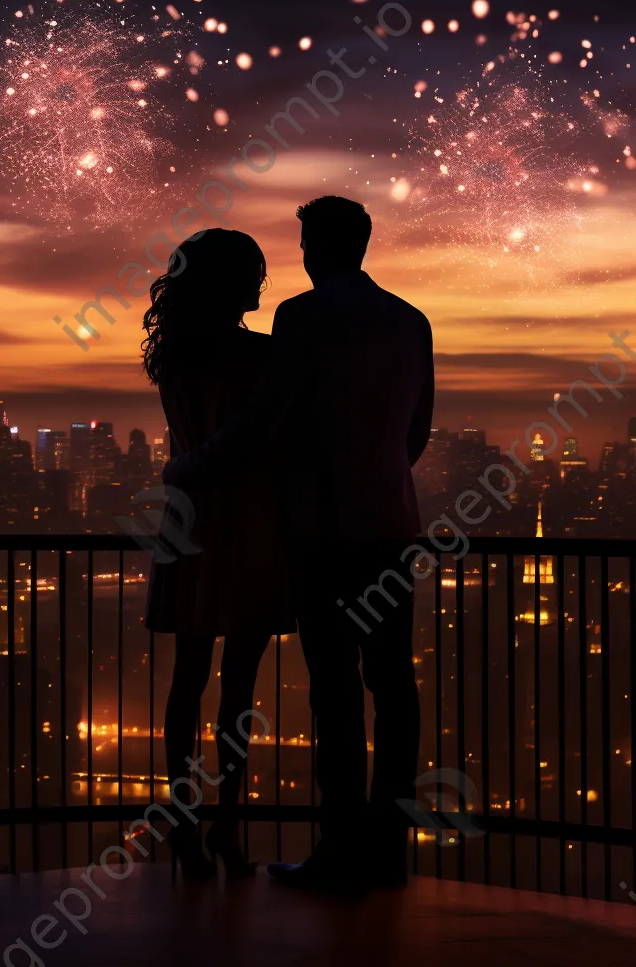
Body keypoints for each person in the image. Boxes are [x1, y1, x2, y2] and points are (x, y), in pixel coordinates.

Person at [165, 196, 435, 892]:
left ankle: (338, 847)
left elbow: (267, 418)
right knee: (394, 686)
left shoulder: (300, 317)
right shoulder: (411, 321)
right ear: (365, 246)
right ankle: (389, 847)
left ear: (316, 247)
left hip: (319, 529)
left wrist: (189, 468)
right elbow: (417, 434)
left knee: (337, 691)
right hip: (392, 527)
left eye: (305, 242)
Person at [141, 228, 293, 880]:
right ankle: (229, 825)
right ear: (233, 283)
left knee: (187, 680)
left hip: (188, 523)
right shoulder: (264, 357)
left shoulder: (173, 358)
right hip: (250, 524)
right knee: (239, 686)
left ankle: (184, 822)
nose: (262, 284)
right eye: (253, 274)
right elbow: (267, 437)